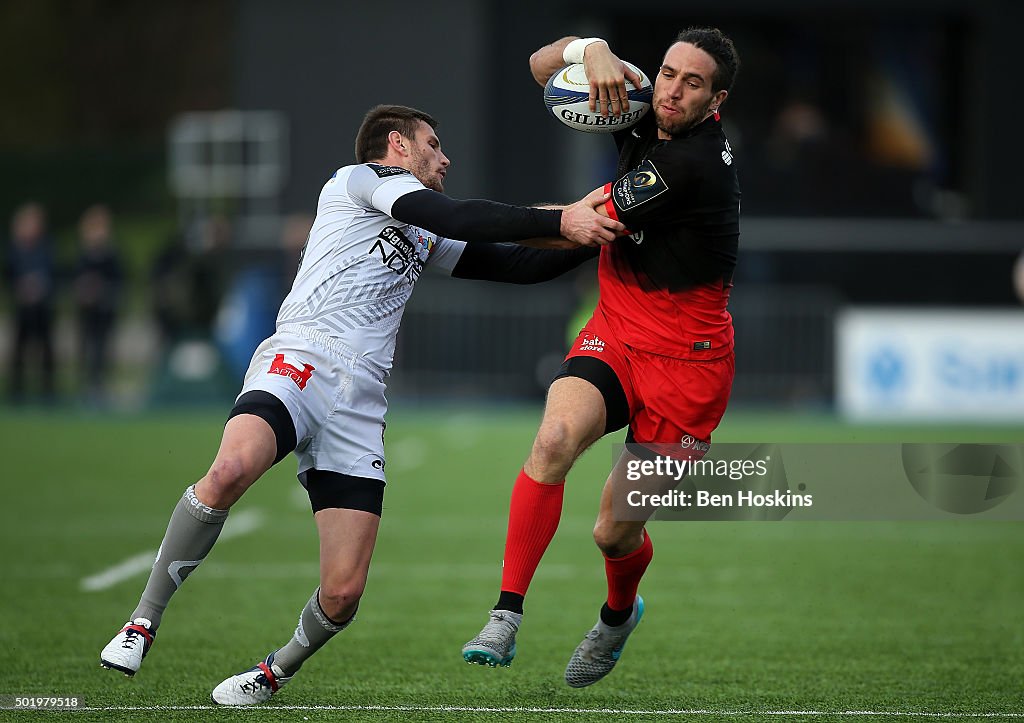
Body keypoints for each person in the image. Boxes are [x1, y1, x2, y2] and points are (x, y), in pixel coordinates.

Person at [99, 104, 621, 705]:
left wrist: (600, 231)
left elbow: (514, 264)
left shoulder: (421, 225)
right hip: (302, 359)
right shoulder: (361, 181)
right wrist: (565, 215)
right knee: (231, 469)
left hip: (361, 402)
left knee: (343, 593)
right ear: (397, 145)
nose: (445, 158)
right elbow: (461, 214)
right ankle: (142, 621)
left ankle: (273, 673)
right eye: (433, 144)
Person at [461, 27, 742, 688]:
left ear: (716, 98)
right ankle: (505, 614)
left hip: (689, 366)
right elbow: (538, 68)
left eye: (691, 82)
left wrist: (452, 227)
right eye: (669, 72)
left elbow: (577, 225)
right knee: (554, 438)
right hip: (617, 329)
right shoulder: (645, 99)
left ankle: (618, 615)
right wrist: (589, 48)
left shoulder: (691, 165)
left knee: (613, 533)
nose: (670, 89)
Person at [4, 202, 57, 404]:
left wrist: (39, 285)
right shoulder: (13, 249)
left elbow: (52, 272)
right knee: (19, 349)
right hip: (22, 308)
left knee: (46, 350)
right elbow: (9, 275)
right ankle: (16, 390)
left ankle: (48, 391)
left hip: (42, 308)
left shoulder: (46, 247)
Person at [73, 204, 124, 404]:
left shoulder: (111, 254)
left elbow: (120, 279)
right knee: (87, 347)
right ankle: (87, 386)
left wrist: (103, 291)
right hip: (87, 311)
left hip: (105, 310)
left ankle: (101, 387)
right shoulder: (83, 254)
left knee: (103, 349)